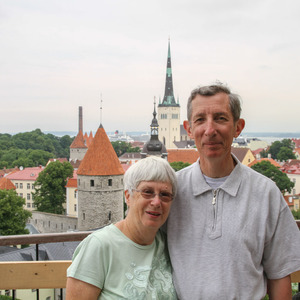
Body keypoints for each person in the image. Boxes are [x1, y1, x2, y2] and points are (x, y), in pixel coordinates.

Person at [166, 83, 300, 299]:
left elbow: (280, 275)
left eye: (220, 118)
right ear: (189, 129)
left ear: (238, 127)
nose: (210, 130)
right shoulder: (171, 191)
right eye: (200, 119)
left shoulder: (266, 194)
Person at [66, 156, 178, 299]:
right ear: (128, 196)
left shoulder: (168, 244)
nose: (156, 202)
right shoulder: (99, 246)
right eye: (147, 192)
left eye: (165, 195)